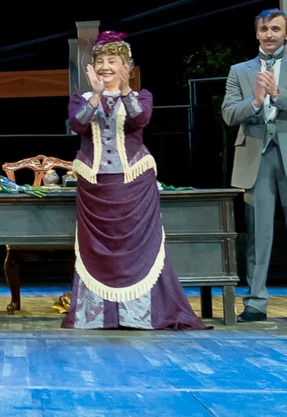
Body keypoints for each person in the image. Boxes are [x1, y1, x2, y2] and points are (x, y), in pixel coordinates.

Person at [63, 31, 207, 330]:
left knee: (138, 250)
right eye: (100, 61)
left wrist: (125, 90)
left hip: (133, 186)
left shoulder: (141, 97)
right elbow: (78, 124)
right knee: (96, 253)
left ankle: (140, 315)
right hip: (95, 188)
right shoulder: (82, 99)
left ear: (126, 66)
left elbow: (140, 120)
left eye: (112, 61)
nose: (105, 66)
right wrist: (97, 95)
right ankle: (98, 316)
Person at [221, 8, 287, 325]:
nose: (269, 34)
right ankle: (255, 302)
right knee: (258, 234)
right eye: (264, 29)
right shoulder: (240, 71)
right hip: (256, 156)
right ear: (257, 33)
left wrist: (278, 93)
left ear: (286, 34)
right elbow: (228, 113)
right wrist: (254, 101)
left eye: (276, 29)